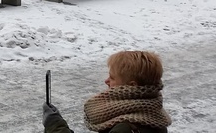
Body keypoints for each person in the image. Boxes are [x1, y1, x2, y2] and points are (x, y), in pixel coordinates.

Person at [43, 50, 171, 133]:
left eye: (112, 77)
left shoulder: (125, 128)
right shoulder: (154, 115)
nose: (106, 81)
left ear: (132, 86)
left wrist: (54, 124)